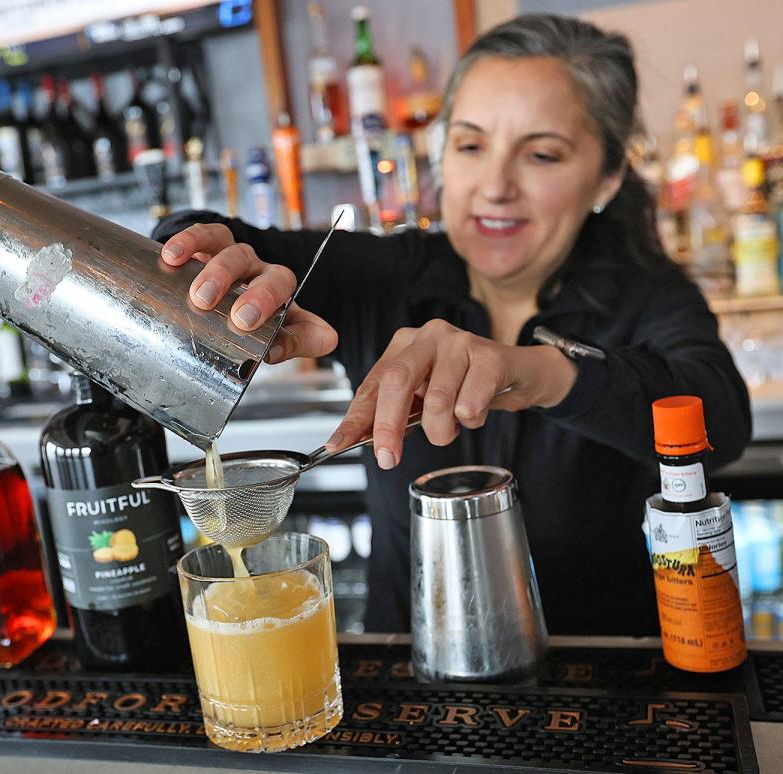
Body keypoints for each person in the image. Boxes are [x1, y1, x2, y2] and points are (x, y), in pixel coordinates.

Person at [152, 14, 751, 636]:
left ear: (607, 177)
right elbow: (209, 233)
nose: (494, 187)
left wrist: (545, 376)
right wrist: (198, 263)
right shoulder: (389, 276)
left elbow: (723, 422)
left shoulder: (648, 298)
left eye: (542, 154)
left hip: (601, 679)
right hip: (405, 682)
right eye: (470, 145)